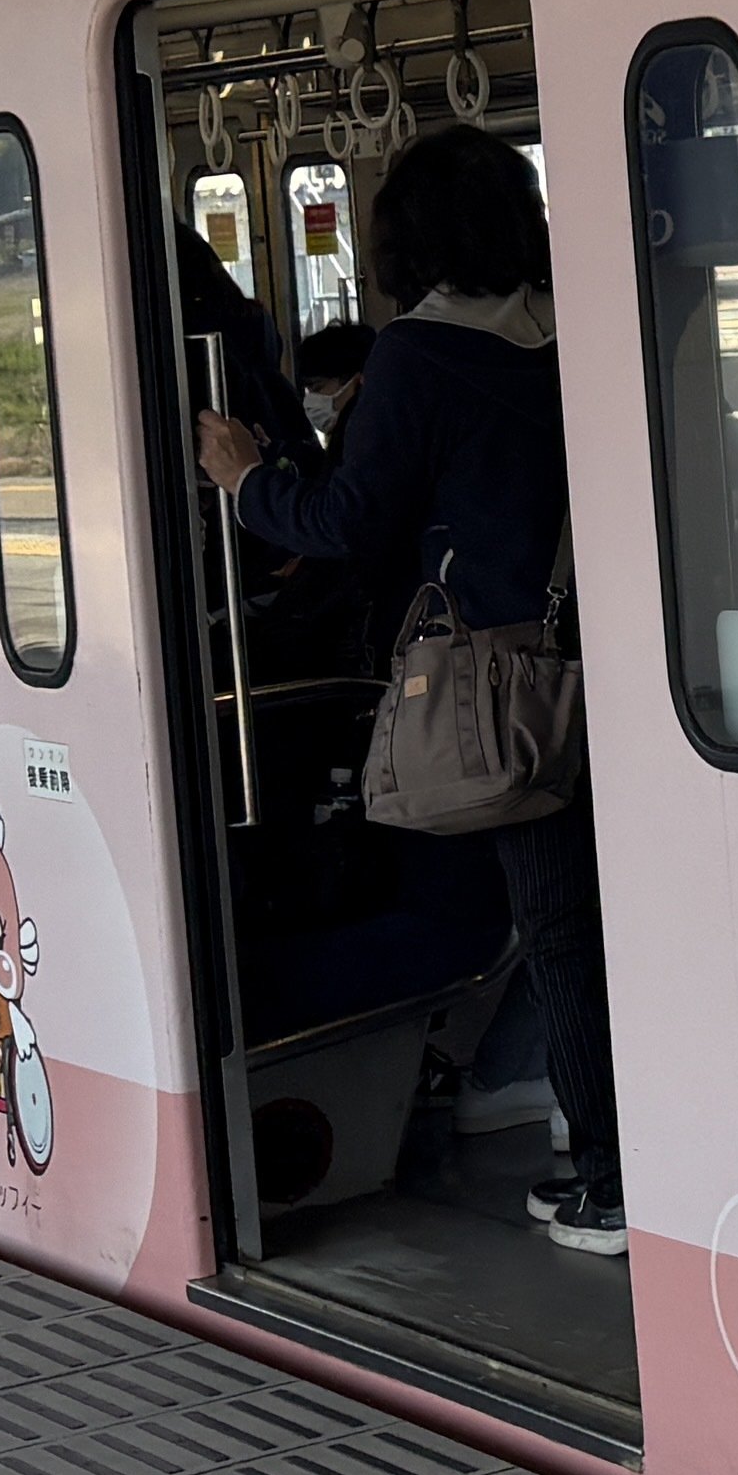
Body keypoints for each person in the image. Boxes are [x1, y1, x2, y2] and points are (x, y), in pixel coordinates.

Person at [193, 125, 621, 1251]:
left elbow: (344, 522)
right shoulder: (572, 330)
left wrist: (245, 483)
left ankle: (612, 1181)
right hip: (611, 661)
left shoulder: (423, 359)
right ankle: (594, 1122)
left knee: (557, 925)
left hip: (499, 684)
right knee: (598, 912)